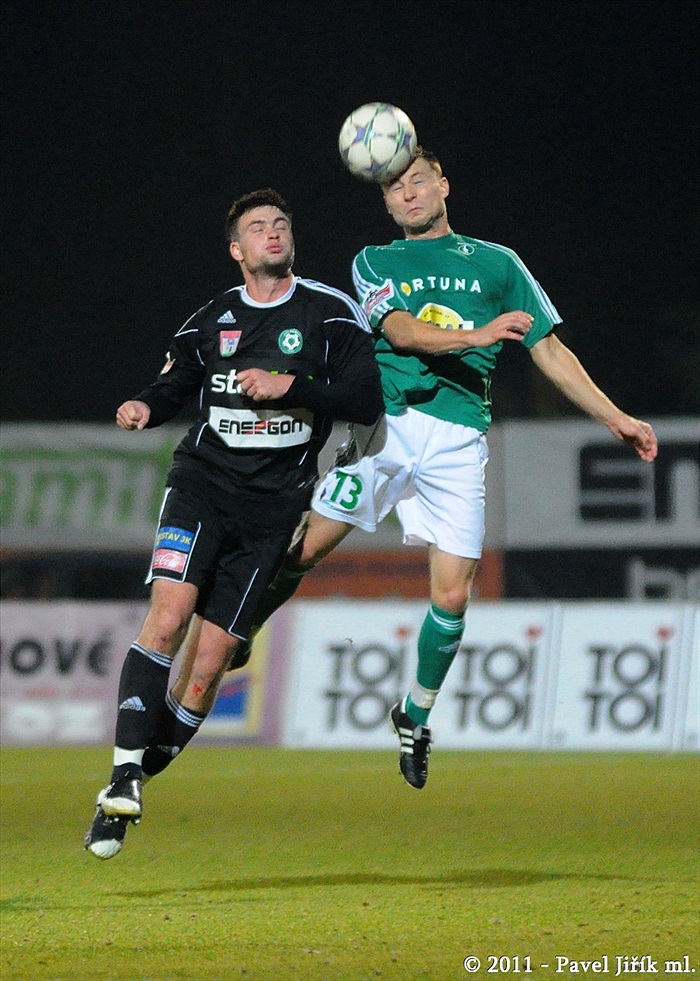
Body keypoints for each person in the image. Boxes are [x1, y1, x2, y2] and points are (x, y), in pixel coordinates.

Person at [206, 147, 658, 792]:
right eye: (396, 188)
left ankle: (414, 716)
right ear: (386, 203)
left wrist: (616, 418)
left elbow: (549, 348)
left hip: (458, 440)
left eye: (419, 181)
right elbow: (402, 333)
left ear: (444, 184)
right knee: (302, 549)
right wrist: (477, 336)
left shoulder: (498, 264)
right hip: (385, 429)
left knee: (451, 596)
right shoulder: (375, 262)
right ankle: (244, 623)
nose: (410, 194)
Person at [84, 188, 383, 859]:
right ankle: (126, 769)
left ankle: (123, 787)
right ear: (237, 250)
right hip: (202, 488)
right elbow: (175, 382)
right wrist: (144, 405)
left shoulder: (331, 314)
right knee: (167, 617)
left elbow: (366, 397)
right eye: (258, 227)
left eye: (281, 223)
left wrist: (292, 387)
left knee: (210, 663)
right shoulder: (211, 318)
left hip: (273, 509)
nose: (274, 233)